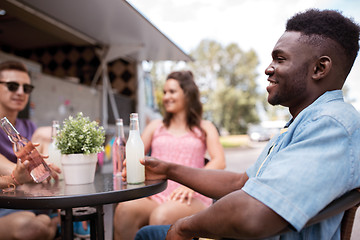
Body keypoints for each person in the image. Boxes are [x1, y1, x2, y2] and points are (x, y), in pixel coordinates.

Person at [132, 9, 360, 240]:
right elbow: (240, 182)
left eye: (280, 59)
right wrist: (169, 169)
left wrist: (184, 226)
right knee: (148, 233)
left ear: (319, 68)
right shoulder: (301, 123)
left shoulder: (331, 125)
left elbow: (253, 215)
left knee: (149, 235)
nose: (268, 69)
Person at [114, 70, 226, 239]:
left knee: (161, 216)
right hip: (156, 194)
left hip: (190, 196)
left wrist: (192, 184)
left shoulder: (204, 127)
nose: (166, 97)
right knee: (124, 210)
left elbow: (219, 161)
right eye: (165, 92)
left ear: (187, 94)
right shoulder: (156, 126)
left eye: (172, 91)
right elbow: (133, 155)